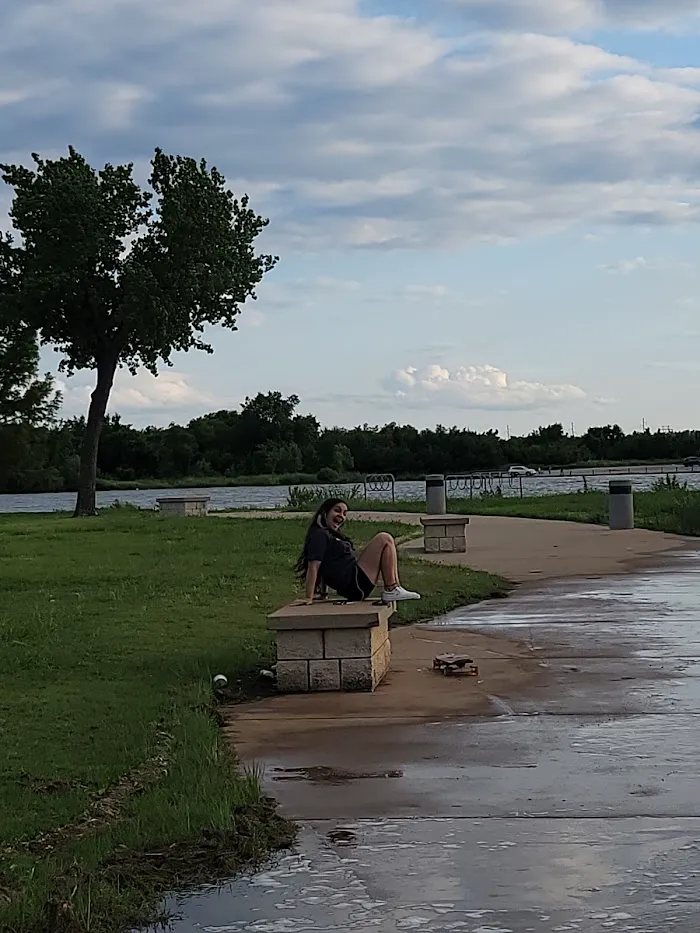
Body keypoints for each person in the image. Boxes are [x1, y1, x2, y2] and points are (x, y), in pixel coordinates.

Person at [295, 497, 421, 604]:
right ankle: (392, 589)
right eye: (337, 511)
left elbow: (328, 566)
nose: (341, 516)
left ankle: (394, 588)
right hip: (355, 584)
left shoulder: (328, 535)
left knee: (387, 541)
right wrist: (308, 597)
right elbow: (314, 566)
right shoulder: (319, 535)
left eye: (344, 513)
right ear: (324, 512)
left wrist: (323, 594)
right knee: (384, 538)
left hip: (355, 582)